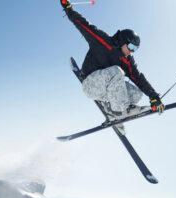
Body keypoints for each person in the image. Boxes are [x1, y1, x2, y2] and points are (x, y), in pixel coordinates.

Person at [60, 0, 164, 135]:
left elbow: (138, 77)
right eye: (131, 47)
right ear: (123, 41)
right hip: (90, 84)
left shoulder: (127, 61)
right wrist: (68, 9)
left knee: (136, 94)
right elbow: (83, 24)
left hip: (108, 91)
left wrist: (154, 97)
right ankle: (119, 111)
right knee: (116, 71)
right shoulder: (103, 41)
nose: (131, 52)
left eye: (135, 50)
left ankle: (112, 110)